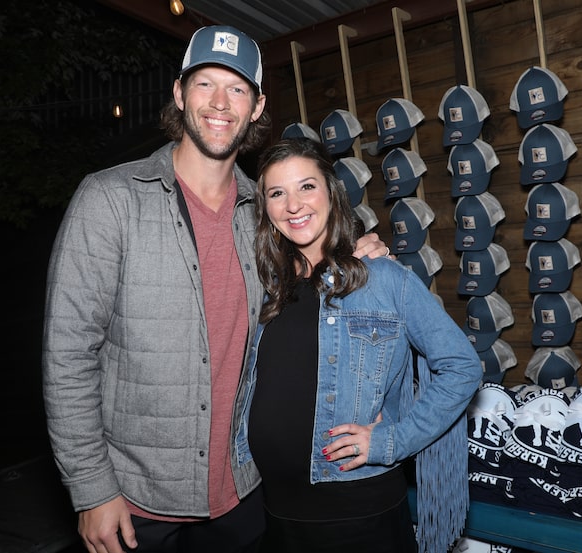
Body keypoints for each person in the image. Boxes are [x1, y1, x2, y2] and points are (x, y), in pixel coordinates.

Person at [42, 26, 386, 553]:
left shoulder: (268, 217)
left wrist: (359, 257)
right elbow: (67, 356)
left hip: (244, 495)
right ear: (180, 94)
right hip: (134, 503)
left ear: (257, 106)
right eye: (205, 84)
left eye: (238, 89)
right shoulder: (109, 200)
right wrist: (91, 489)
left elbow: (315, 286)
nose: (220, 103)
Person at [239, 137, 482, 553]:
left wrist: (393, 440)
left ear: (332, 193)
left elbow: (462, 366)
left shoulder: (384, 279)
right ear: (266, 208)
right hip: (272, 512)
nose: (293, 205)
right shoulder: (264, 286)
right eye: (277, 193)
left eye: (306, 187)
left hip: (358, 516)